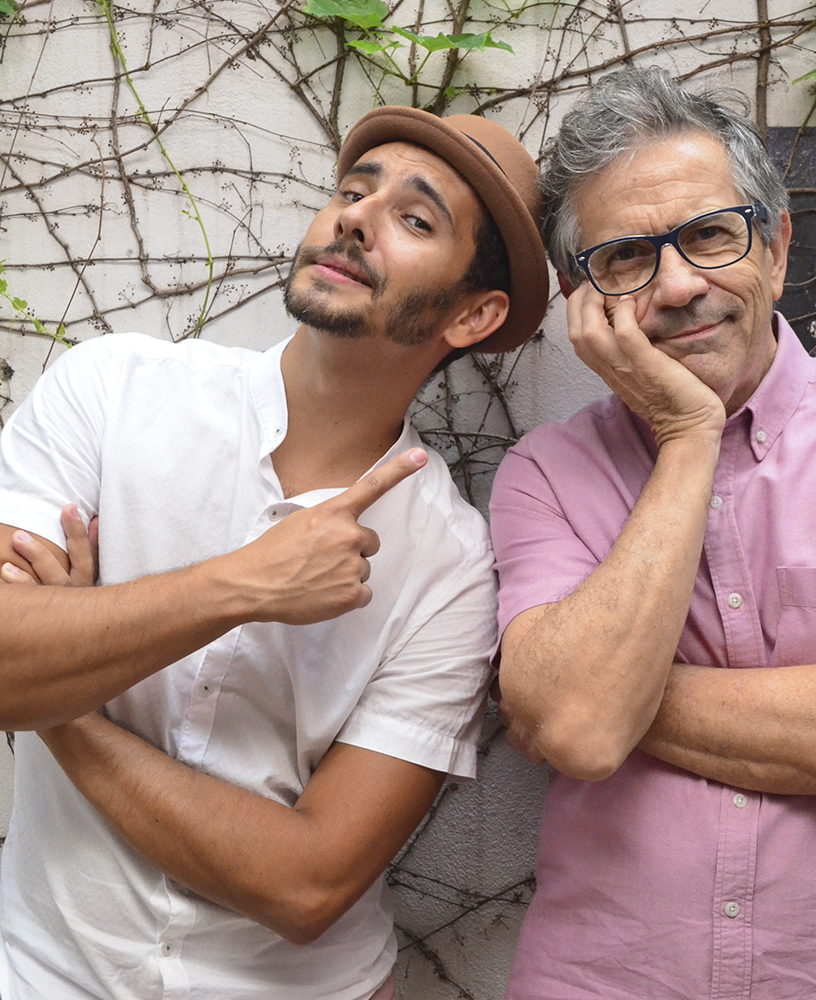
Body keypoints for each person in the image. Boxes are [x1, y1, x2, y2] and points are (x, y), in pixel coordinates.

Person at [0, 105, 549, 1000]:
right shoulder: (112, 394)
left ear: (473, 312)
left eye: (415, 219)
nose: (355, 218)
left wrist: (63, 696)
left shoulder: (449, 567)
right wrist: (239, 586)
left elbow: (307, 886)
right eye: (351, 191)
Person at [490, 66, 816, 999]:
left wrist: (614, 692)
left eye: (711, 236)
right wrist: (688, 438)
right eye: (626, 258)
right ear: (582, 304)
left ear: (775, 249)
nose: (679, 285)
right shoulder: (543, 477)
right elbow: (574, 724)